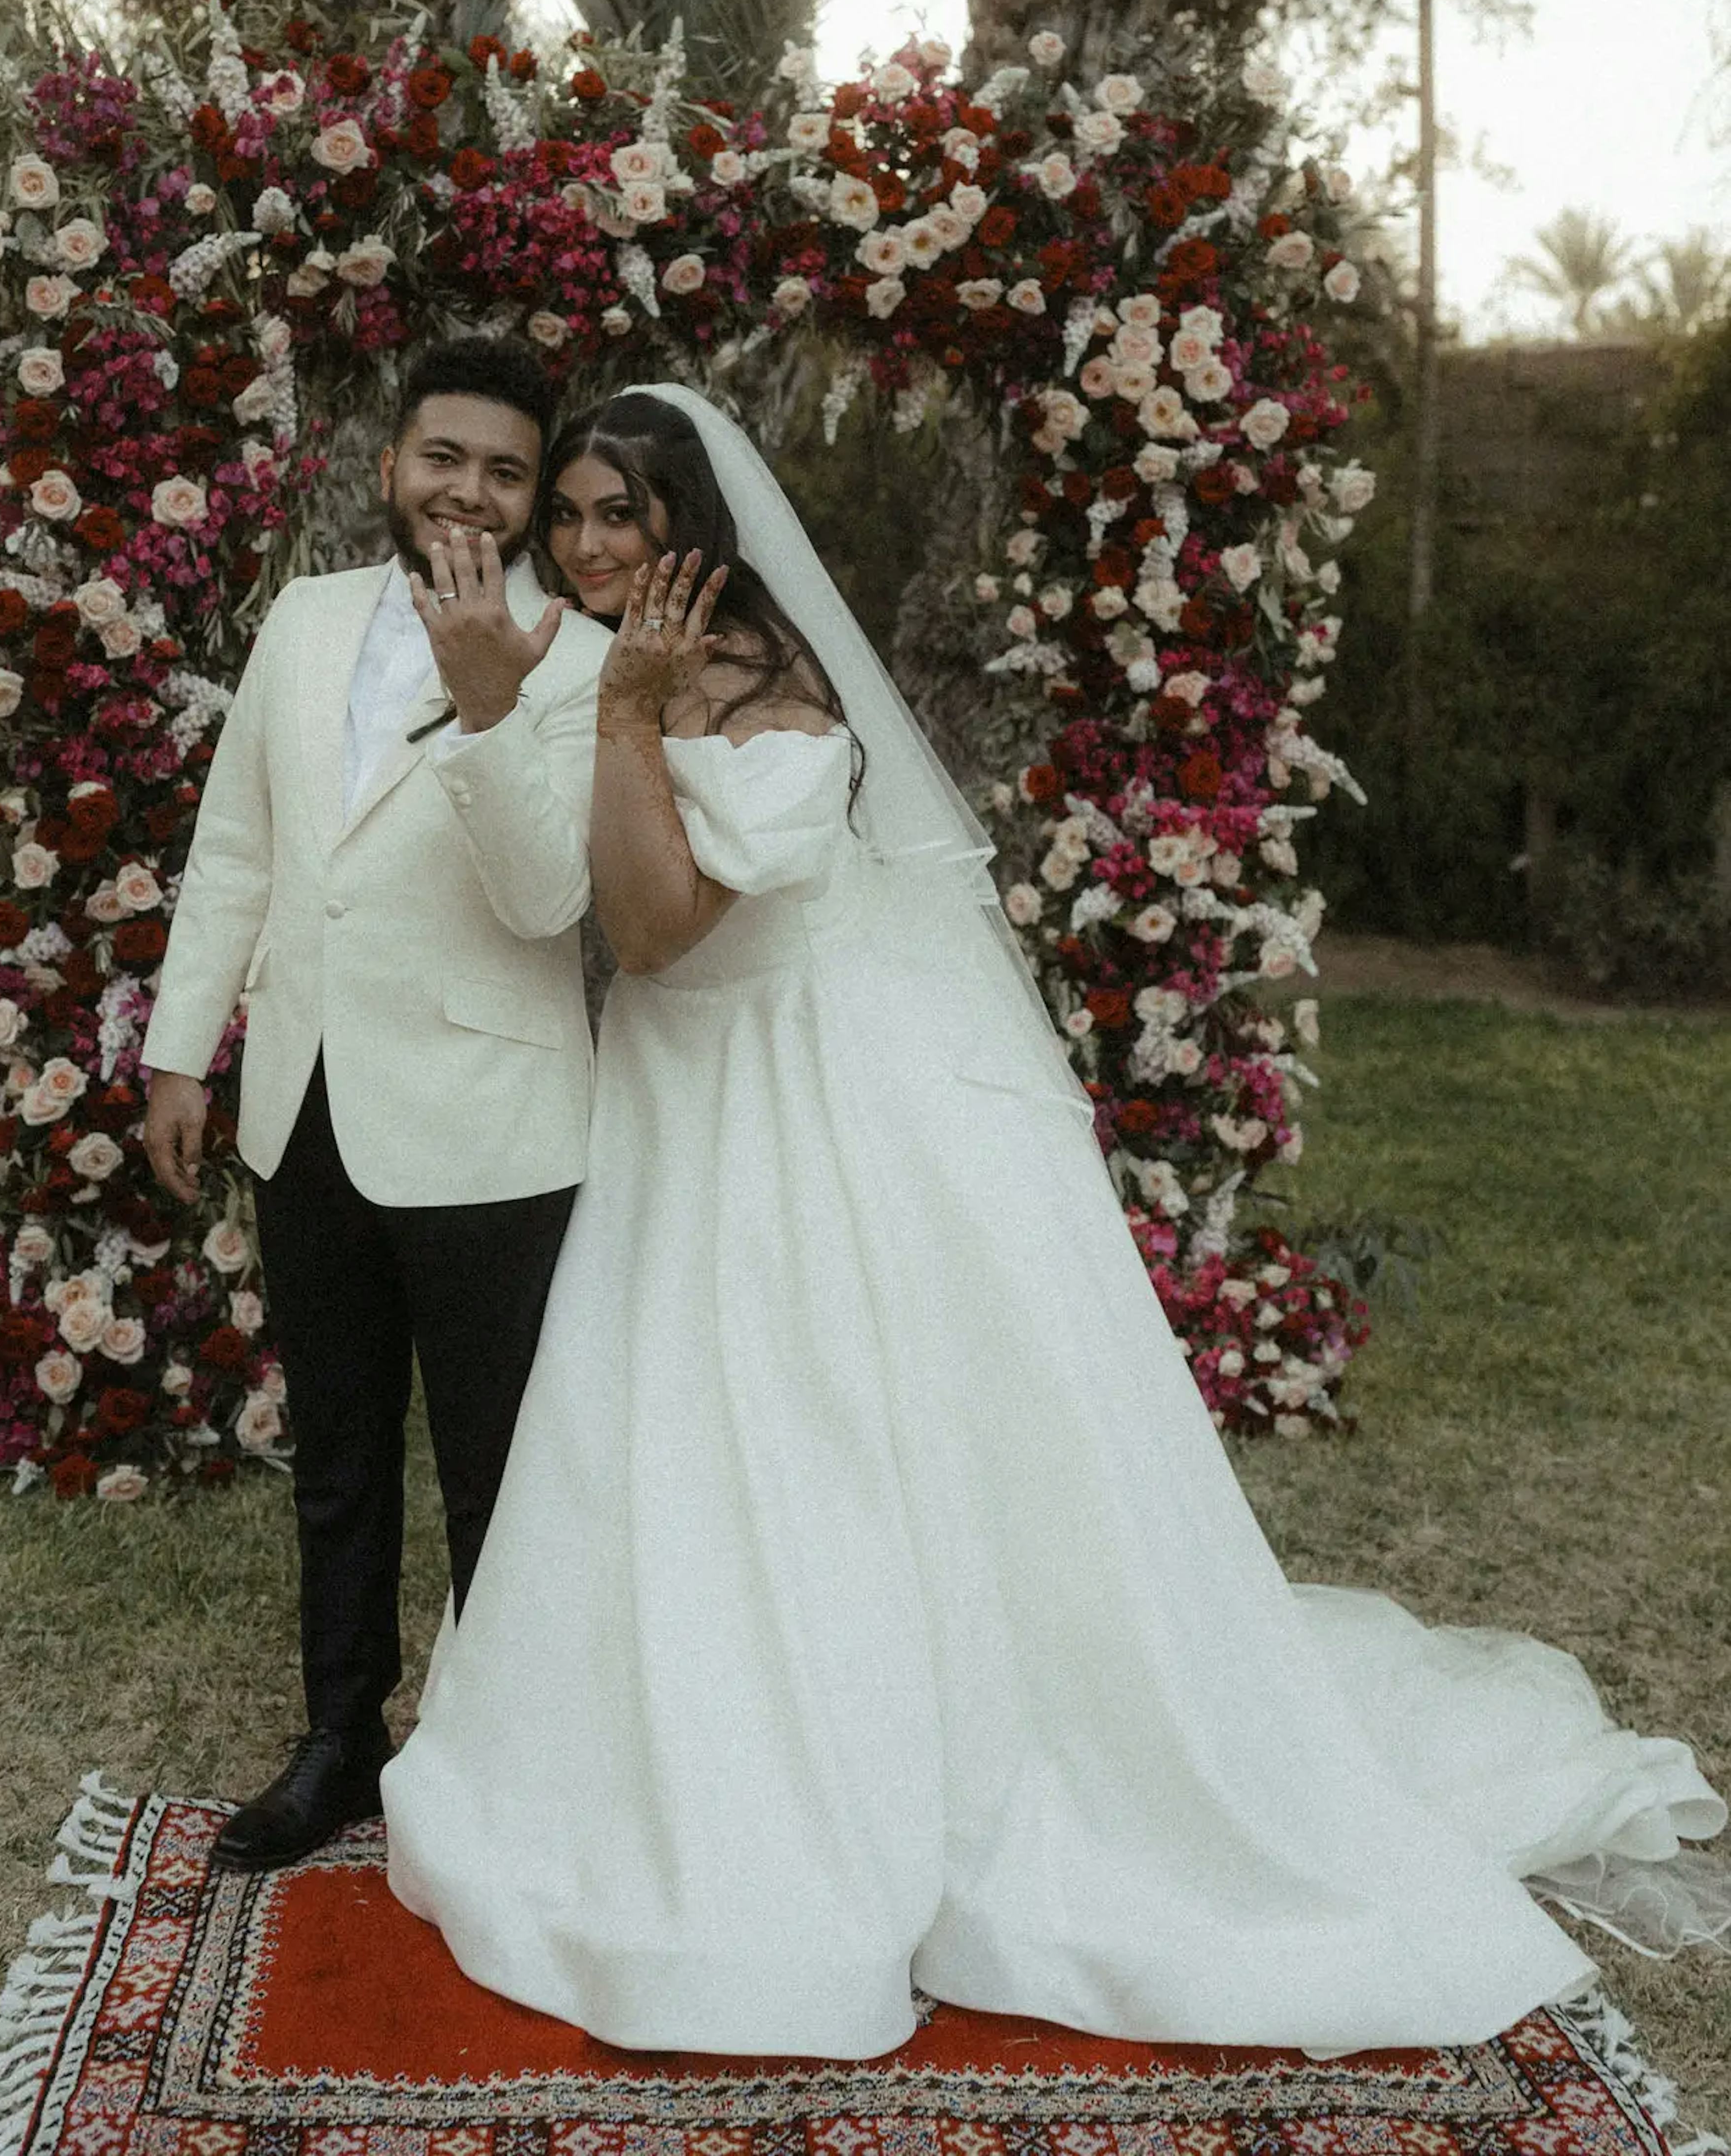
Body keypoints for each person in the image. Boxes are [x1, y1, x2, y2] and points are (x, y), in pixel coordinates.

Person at [380, 380, 1726, 2061]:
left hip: (800, 1102)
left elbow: (650, 932)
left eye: (617, 517)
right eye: (568, 513)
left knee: (836, 1422)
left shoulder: (783, 715)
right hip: (678, 1099)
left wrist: (630, 717)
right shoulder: (606, 659)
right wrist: (554, 711)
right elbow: (555, 884)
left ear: (696, 535)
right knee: (680, 1425)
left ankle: (904, 1766)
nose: (581, 546)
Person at [142, 335, 610, 1871]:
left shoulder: (578, 653)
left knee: (496, 1471)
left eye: (504, 470)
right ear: (391, 462)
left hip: (493, 1122)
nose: (467, 491)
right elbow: (240, 849)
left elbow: (553, 905)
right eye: (442, 458)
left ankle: (511, 1756)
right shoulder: (305, 618)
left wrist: (489, 710)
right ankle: (342, 1737)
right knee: (340, 1453)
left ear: (539, 495)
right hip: (305, 1108)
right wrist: (180, 1043)